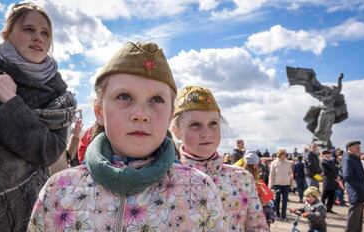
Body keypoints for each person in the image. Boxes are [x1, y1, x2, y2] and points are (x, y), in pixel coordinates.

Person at [28, 42, 225, 231]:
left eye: (156, 99)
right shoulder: (60, 189)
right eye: (124, 97)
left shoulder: (199, 189)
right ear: (99, 111)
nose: (141, 114)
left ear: (170, 115)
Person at [0, 3, 76, 231]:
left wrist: (11, 103)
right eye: (29, 29)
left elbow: (49, 151)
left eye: (45, 33)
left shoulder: (59, 94)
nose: (38, 37)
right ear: (6, 35)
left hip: (28, 207)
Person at [171, 86, 269, 231]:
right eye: (195, 125)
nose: (206, 133)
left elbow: (258, 227)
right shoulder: (166, 182)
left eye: (213, 124)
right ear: (176, 131)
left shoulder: (242, 178)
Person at [343, 141, 364, 232]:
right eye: (356, 147)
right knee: (354, 216)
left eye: (359, 147)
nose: (359, 148)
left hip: (360, 191)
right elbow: (347, 175)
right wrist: (358, 187)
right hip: (356, 191)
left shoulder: (355, 158)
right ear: (349, 148)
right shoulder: (348, 158)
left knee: (358, 217)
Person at [243, 150, 276, 227]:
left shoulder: (238, 177)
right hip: (256, 217)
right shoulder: (258, 184)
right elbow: (267, 200)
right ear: (255, 165)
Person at [269, 149, 293, 221]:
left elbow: (290, 173)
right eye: (283, 154)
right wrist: (270, 185)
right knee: (277, 200)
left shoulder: (288, 163)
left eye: (285, 154)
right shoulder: (274, 163)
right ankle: (277, 214)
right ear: (279, 155)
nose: (284, 156)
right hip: (277, 184)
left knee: (285, 200)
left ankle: (284, 216)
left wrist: (291, 183)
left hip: (286, 184)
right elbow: (271, 175)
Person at [320, 150, 338, 214]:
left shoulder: (331, 161)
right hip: (328, 180)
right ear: (325, 154)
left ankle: (329, 208)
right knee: (324, 196)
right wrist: (334, 176)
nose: (330, 155)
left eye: (330, 154)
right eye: (329, 154)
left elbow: (335, 169)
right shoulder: (323, 162)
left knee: (331, 196)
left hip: (333, 181)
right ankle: (321, 208)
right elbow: (326, 172)